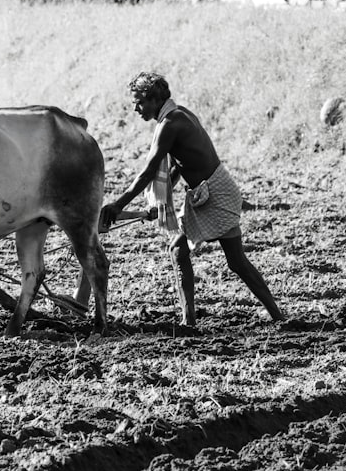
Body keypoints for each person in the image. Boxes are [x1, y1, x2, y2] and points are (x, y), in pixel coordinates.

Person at [100, 72, 284, 326]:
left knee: (227, 259)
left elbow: (150, 171)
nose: (135, 109)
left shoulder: (169, 125)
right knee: (212, 256)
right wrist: (160, 203)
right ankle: (270, 317)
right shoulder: (178, 114)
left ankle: (196, 322)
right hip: (212, 192)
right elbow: (178, 166)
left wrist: (118, 204)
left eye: (139, 102)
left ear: (153, 99)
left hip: (215, 194)